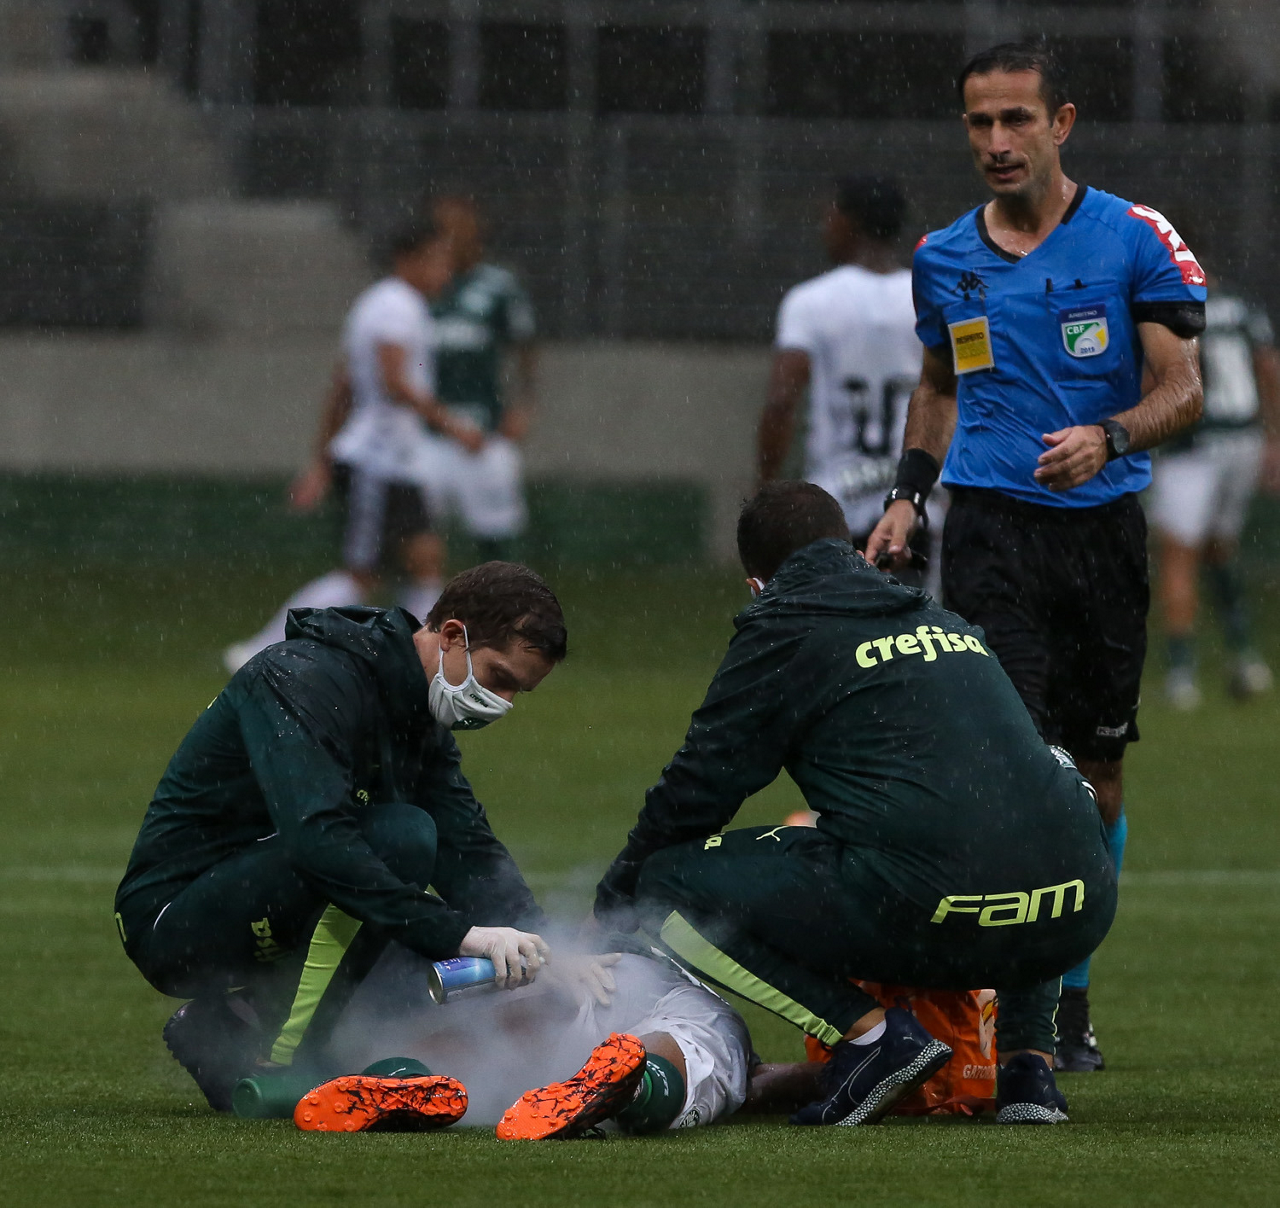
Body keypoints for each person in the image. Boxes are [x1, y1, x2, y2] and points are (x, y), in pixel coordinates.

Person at [864, 40, 1206, 1073]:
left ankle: (1070, 994)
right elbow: (939, 385)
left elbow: (1184, 387)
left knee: (1094, 772)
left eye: (1017, 118)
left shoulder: (1132, 237)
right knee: (1016, 763)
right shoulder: (943, 257)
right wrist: (905, 496)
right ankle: (1009, 1010)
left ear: (1060, 123)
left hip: (1100, 536)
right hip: (989, 532)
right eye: (980, 122)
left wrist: (1109, 435)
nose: (998, 140)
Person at [593, 481, 1117, 1127]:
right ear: (850, 549)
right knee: (1024, 803)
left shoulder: (785, 626)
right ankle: (1027, 1069)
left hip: (940, 905)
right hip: (1080, 908)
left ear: (757, 585)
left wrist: (614, 901)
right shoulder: (939, 616)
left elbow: (699, 786)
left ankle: (874, 1038)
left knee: (665, 885)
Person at [114, 562, 610, 1111]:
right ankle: (276, 1060)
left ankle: (228, 1022)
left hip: (275, 902)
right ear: (452, 635)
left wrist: (547, 945)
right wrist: (461, 933)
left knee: (444, 981)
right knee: (403, 840)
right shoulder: (303, 676)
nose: (504, 701)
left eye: (519, 690)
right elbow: (317, 840)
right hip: (176, 921)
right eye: (499, 677)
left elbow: (467, 847)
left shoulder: (417, 709)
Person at [222, 222, 483, 674]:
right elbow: (394, 382)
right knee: (361, 574)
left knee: (424, 559)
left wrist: (322, 460)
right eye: (437, 261)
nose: (445, 272)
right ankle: (262, 650)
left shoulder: (391, 305)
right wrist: (454, 426)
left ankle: (421, 662)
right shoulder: (394, 306)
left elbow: (343, 386)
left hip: (395, 460)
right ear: (408, 260)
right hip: (377, 461)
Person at [759, 175, 940, 588]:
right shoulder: (925, 297)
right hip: (911, 501)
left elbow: (781, 402)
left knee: (833, 620)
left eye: (830, 216)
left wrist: (765, 488)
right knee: (911, 621)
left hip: (832, 508)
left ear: (849, 222)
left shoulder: (811, 301)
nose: (825, 227)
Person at [1150, 274, 1280, 709]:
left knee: (1177, 554)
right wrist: (1274, 437)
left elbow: (1155, 378)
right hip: (1244, 439)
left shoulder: (1168, 305)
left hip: (1195, 443)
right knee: (1219, 549)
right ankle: (1244, 655)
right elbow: (1268, 367)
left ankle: (1181, 671)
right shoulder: (1241, 306)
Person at [414, 195, 539, 564]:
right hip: (427, 433)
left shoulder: (499, 285)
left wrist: (524, 406)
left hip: (485, 430)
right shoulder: (420, 289)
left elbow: (525, 346)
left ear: (477, 231)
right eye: (442, 228)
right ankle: (424, 599)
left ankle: (499, 598)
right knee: (415, 536)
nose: (451, 236)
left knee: (496, 536)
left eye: (459, 227)